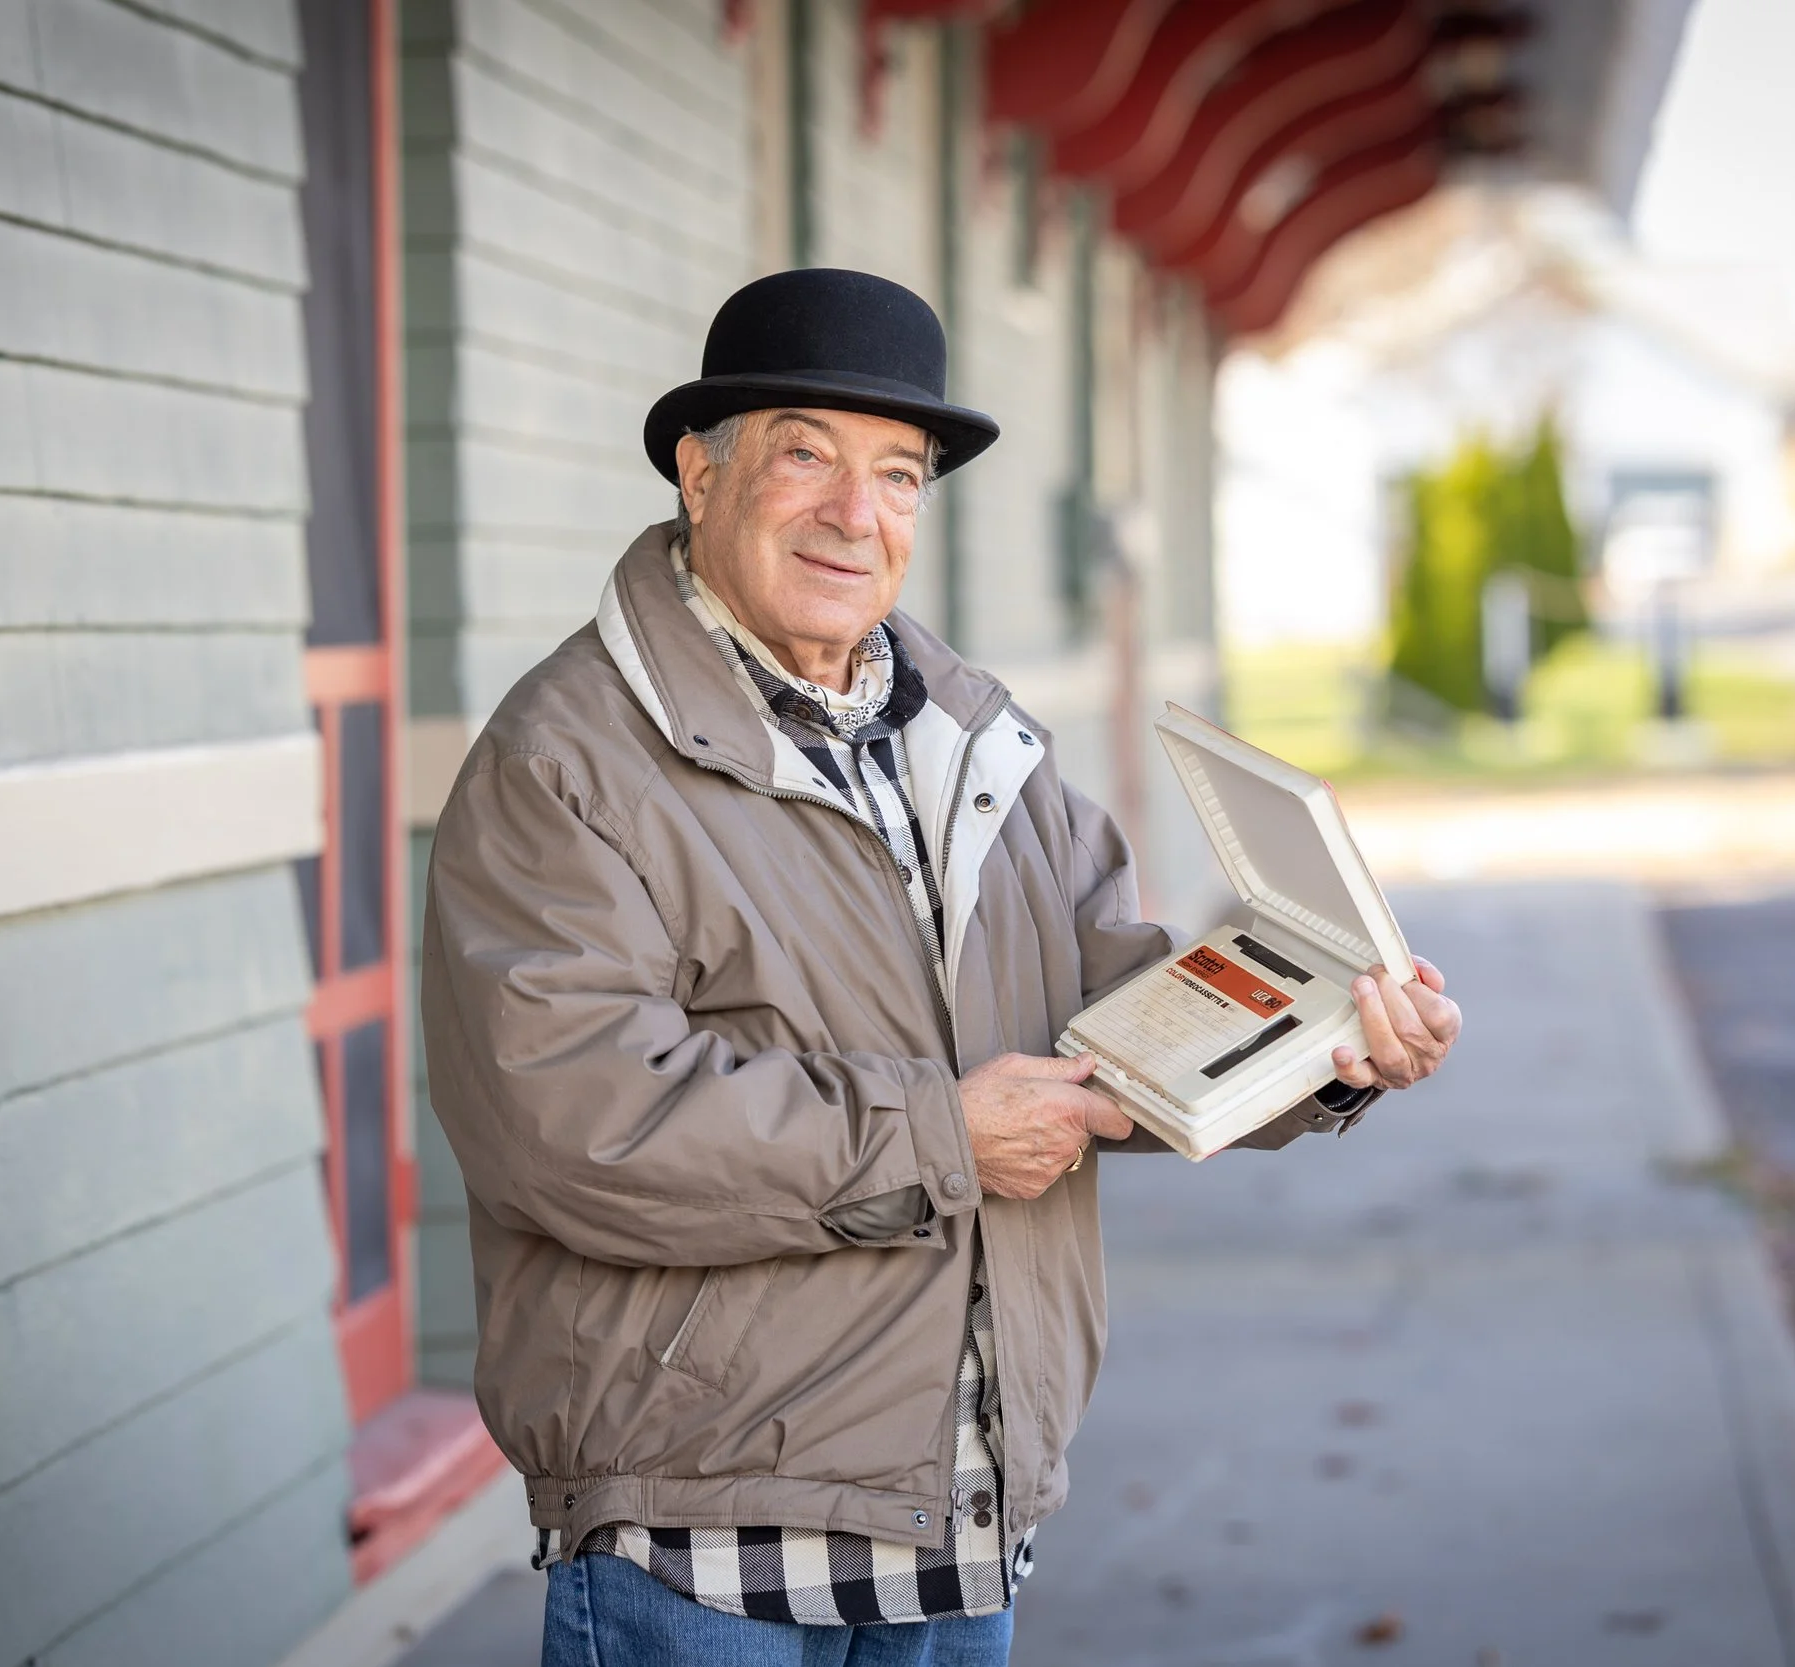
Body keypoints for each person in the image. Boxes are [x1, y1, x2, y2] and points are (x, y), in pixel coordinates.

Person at [419, 267, 1461, 1667]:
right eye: (808, 455)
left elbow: (1115, 1016)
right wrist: (939, 1136)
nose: (859, 513)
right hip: (701, 1532)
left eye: (900, 475)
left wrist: (1325, 1044)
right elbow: (576, 1124)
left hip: (960, 1514)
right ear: (699, 468)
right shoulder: (569, 759)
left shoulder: (975, 742)